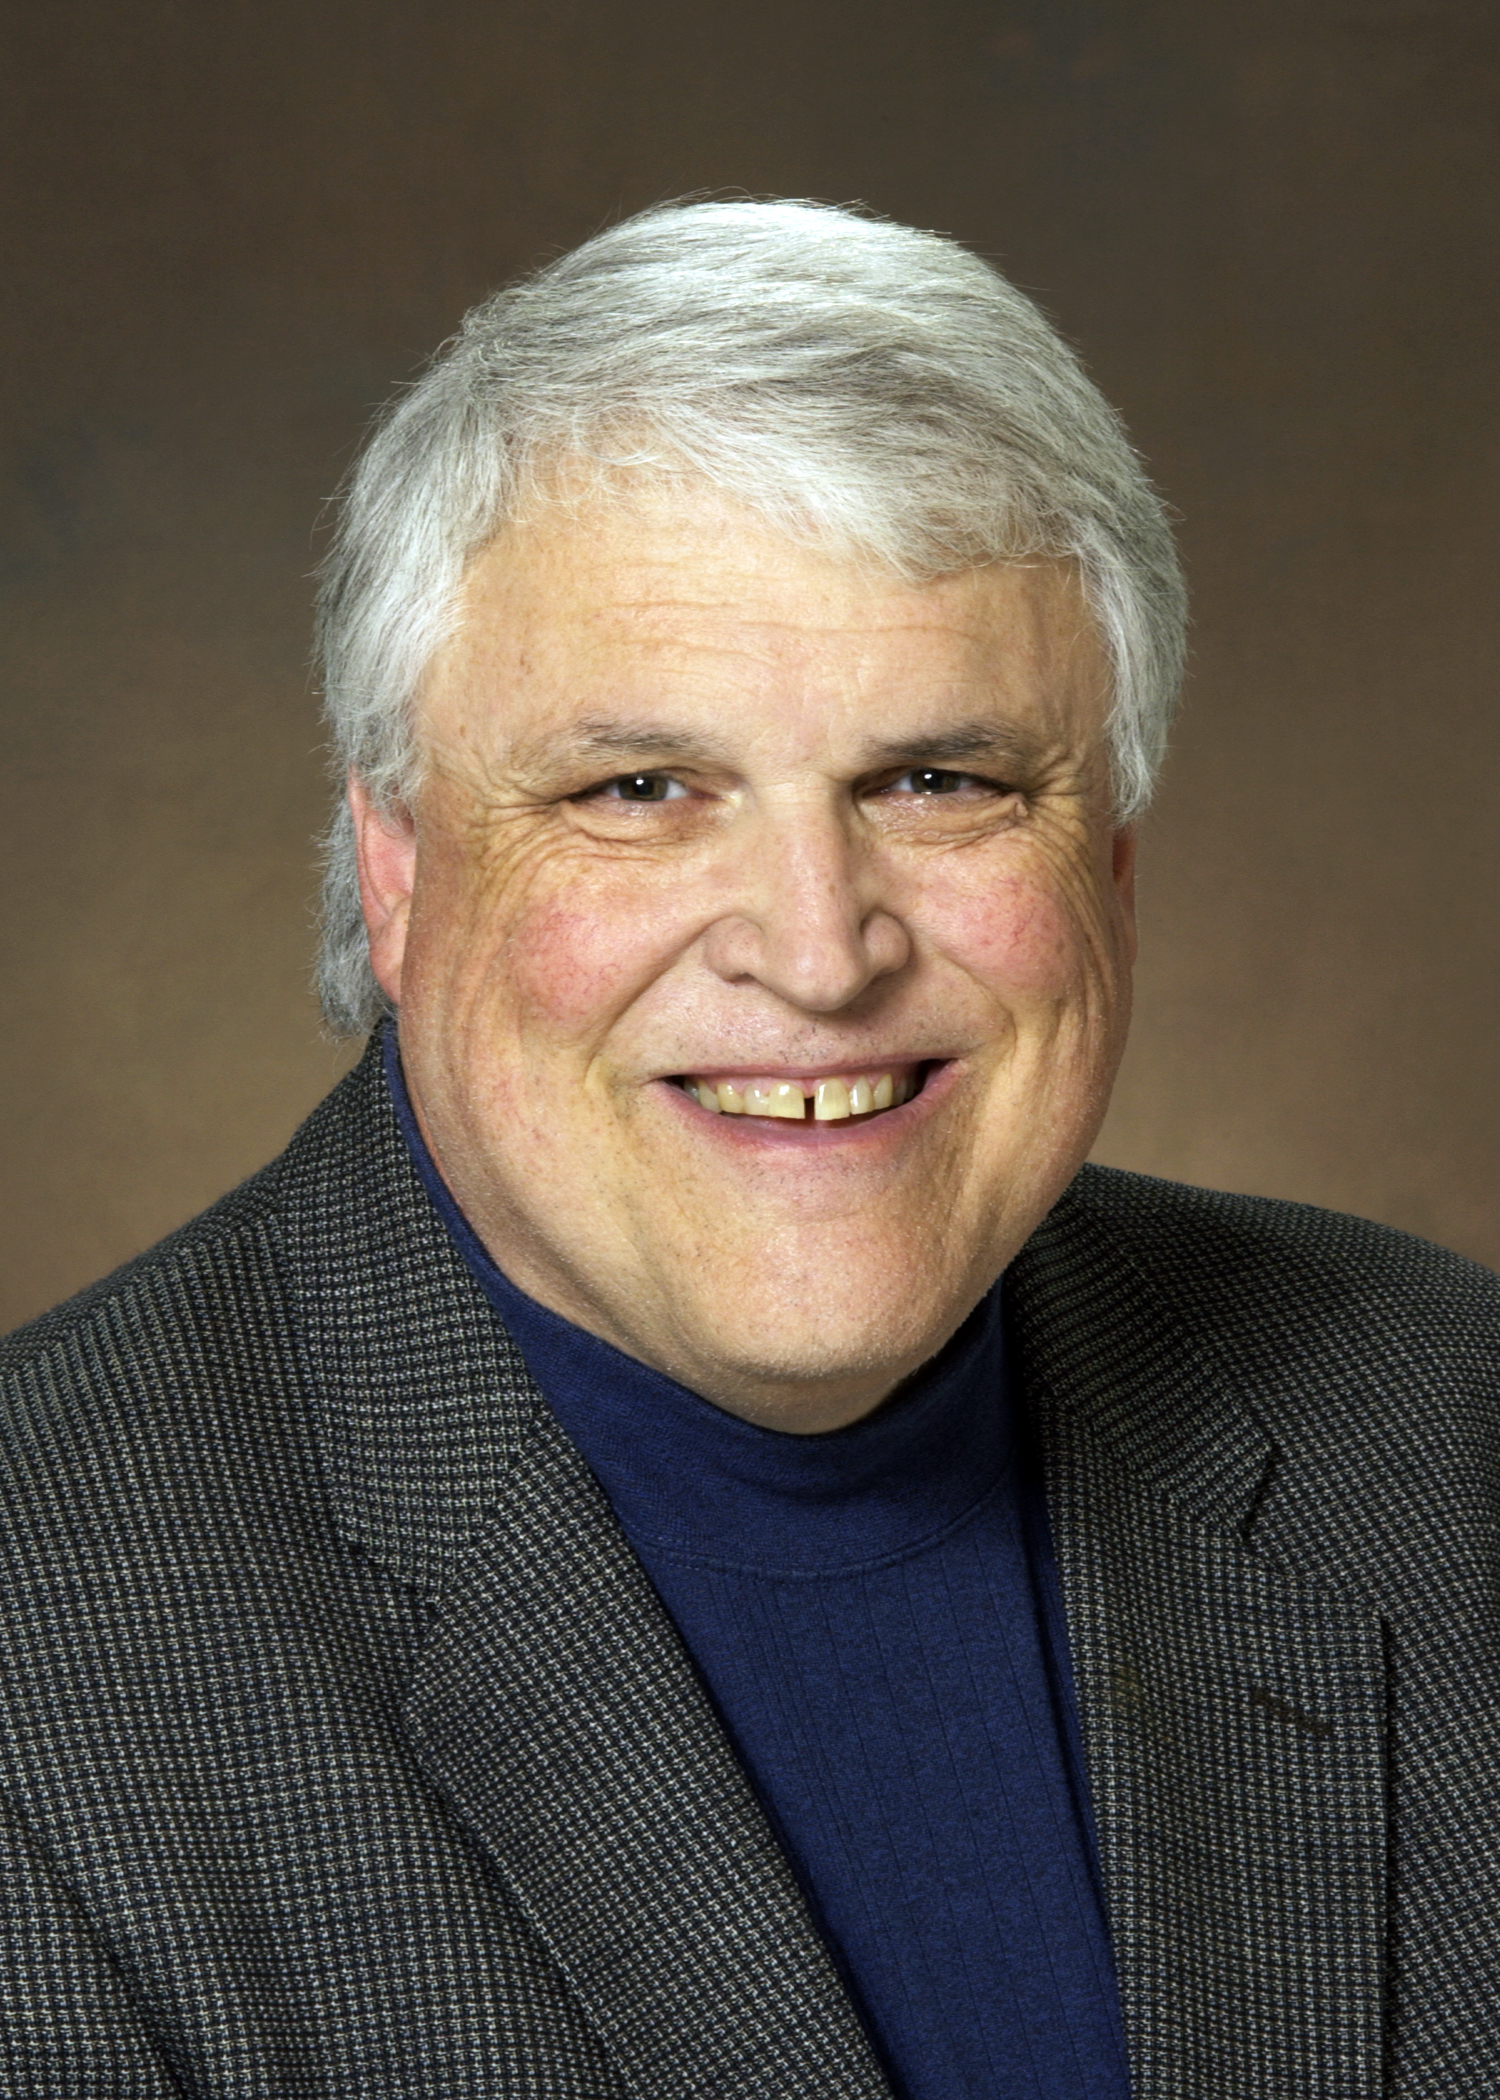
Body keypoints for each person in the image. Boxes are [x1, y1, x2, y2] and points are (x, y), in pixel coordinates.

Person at [1, 199, 1495, 2100]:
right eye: (641, 789)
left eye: (939, 780)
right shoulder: (38, 1671)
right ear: (396, 872)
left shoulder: (1447, 1431)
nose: (817, 947)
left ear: (1110, 868)